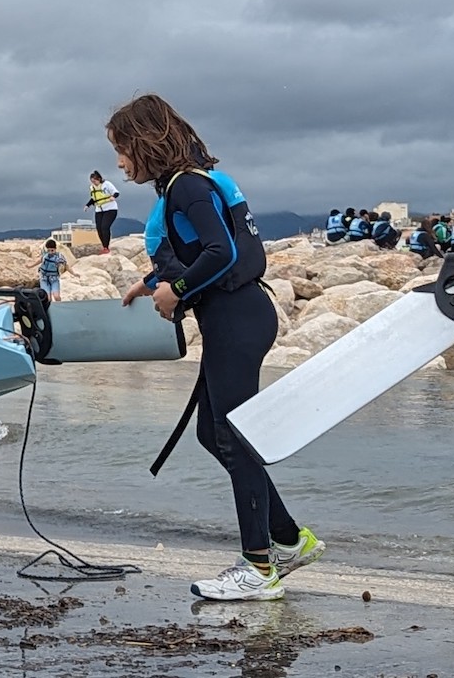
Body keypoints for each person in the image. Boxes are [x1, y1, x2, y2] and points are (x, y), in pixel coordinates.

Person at [110, 94, 322, 602]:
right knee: (213, 432)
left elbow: (220, 252)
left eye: (121, 149)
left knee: (234, 437)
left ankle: (258, 566)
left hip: (237, 317)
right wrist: (152, 280)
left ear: (144, 142)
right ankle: (290, 540)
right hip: (237, 316)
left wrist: (176, 291)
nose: (118, 162)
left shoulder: (187, 187)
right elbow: (206, 248)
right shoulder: (190, 185)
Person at [86, 171, 121, 253]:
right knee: (99, 228)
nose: (94, 183)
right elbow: (94, 199)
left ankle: (106, 247)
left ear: (99, 179)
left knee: (105, 227)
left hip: (110, 208)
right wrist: (87, 205)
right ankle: (104, 246)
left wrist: (113, 197)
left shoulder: (107, 184)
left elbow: (116, 192)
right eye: (92, 182)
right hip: (99, 209)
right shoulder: (92, 187)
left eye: (95, 181)